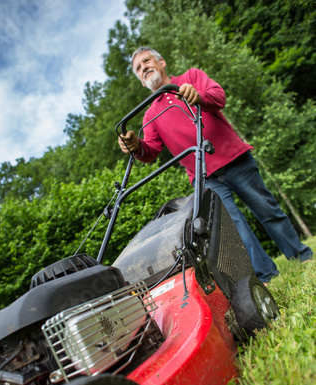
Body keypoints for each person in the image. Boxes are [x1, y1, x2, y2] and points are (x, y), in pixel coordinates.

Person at [118, 46, 313, 283]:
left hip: (234, 158)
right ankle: (267, 275)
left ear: (162, 62)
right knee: (236, 227)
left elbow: (219, 96)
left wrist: (197, 96)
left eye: (146, 61)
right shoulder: (150, 115)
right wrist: (135, 145)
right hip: (205, 177)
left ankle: (301, 255)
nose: (144, 68)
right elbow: (150, 151)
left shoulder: (190, 78)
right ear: (140, 80)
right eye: (138, 68)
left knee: (267, 209)